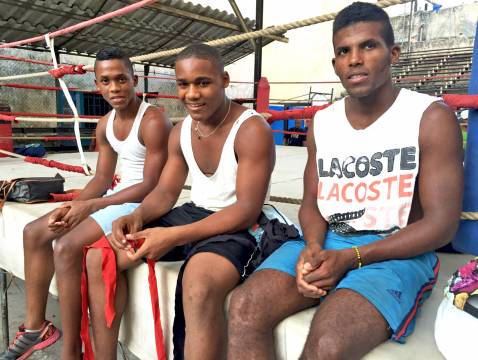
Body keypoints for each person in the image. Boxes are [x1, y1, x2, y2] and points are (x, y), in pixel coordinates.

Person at [227, 2, 464, 359]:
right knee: (244, 308)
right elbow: (312, 201)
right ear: (335, 63)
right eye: (343, 51)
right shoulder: (322, 123)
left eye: (368, 46)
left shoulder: (429, 117)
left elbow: (442, 225)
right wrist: (312, 246)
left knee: (328, 346)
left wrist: (352, 258)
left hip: (397, 249)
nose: (354, 59)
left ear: (393, 53)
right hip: (330, 240)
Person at [84, 43, 274, 360]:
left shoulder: (252, 129)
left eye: (203, 82)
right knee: (99, 257)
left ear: (224, 80)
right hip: (194, 212)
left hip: (242, 224)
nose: (192, 94)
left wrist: (172, 236)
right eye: (183, 84)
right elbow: (164, 192)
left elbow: (246, 209)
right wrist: (139, 216)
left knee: (198, 284)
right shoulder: (182, 130)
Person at [0, 47, 171, 360]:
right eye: (106, 81)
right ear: (97, 85)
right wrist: (78, 203)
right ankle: (37, 328)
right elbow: (103, 177)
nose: (115, 87)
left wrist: (91, 207)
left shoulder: (153, 121)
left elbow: (151, 185)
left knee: (66, 247)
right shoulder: (106, 123)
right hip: (114, 197)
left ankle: (71, 352)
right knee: (34, 231)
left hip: (141, 203)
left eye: (121, 79)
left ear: (134, 79)